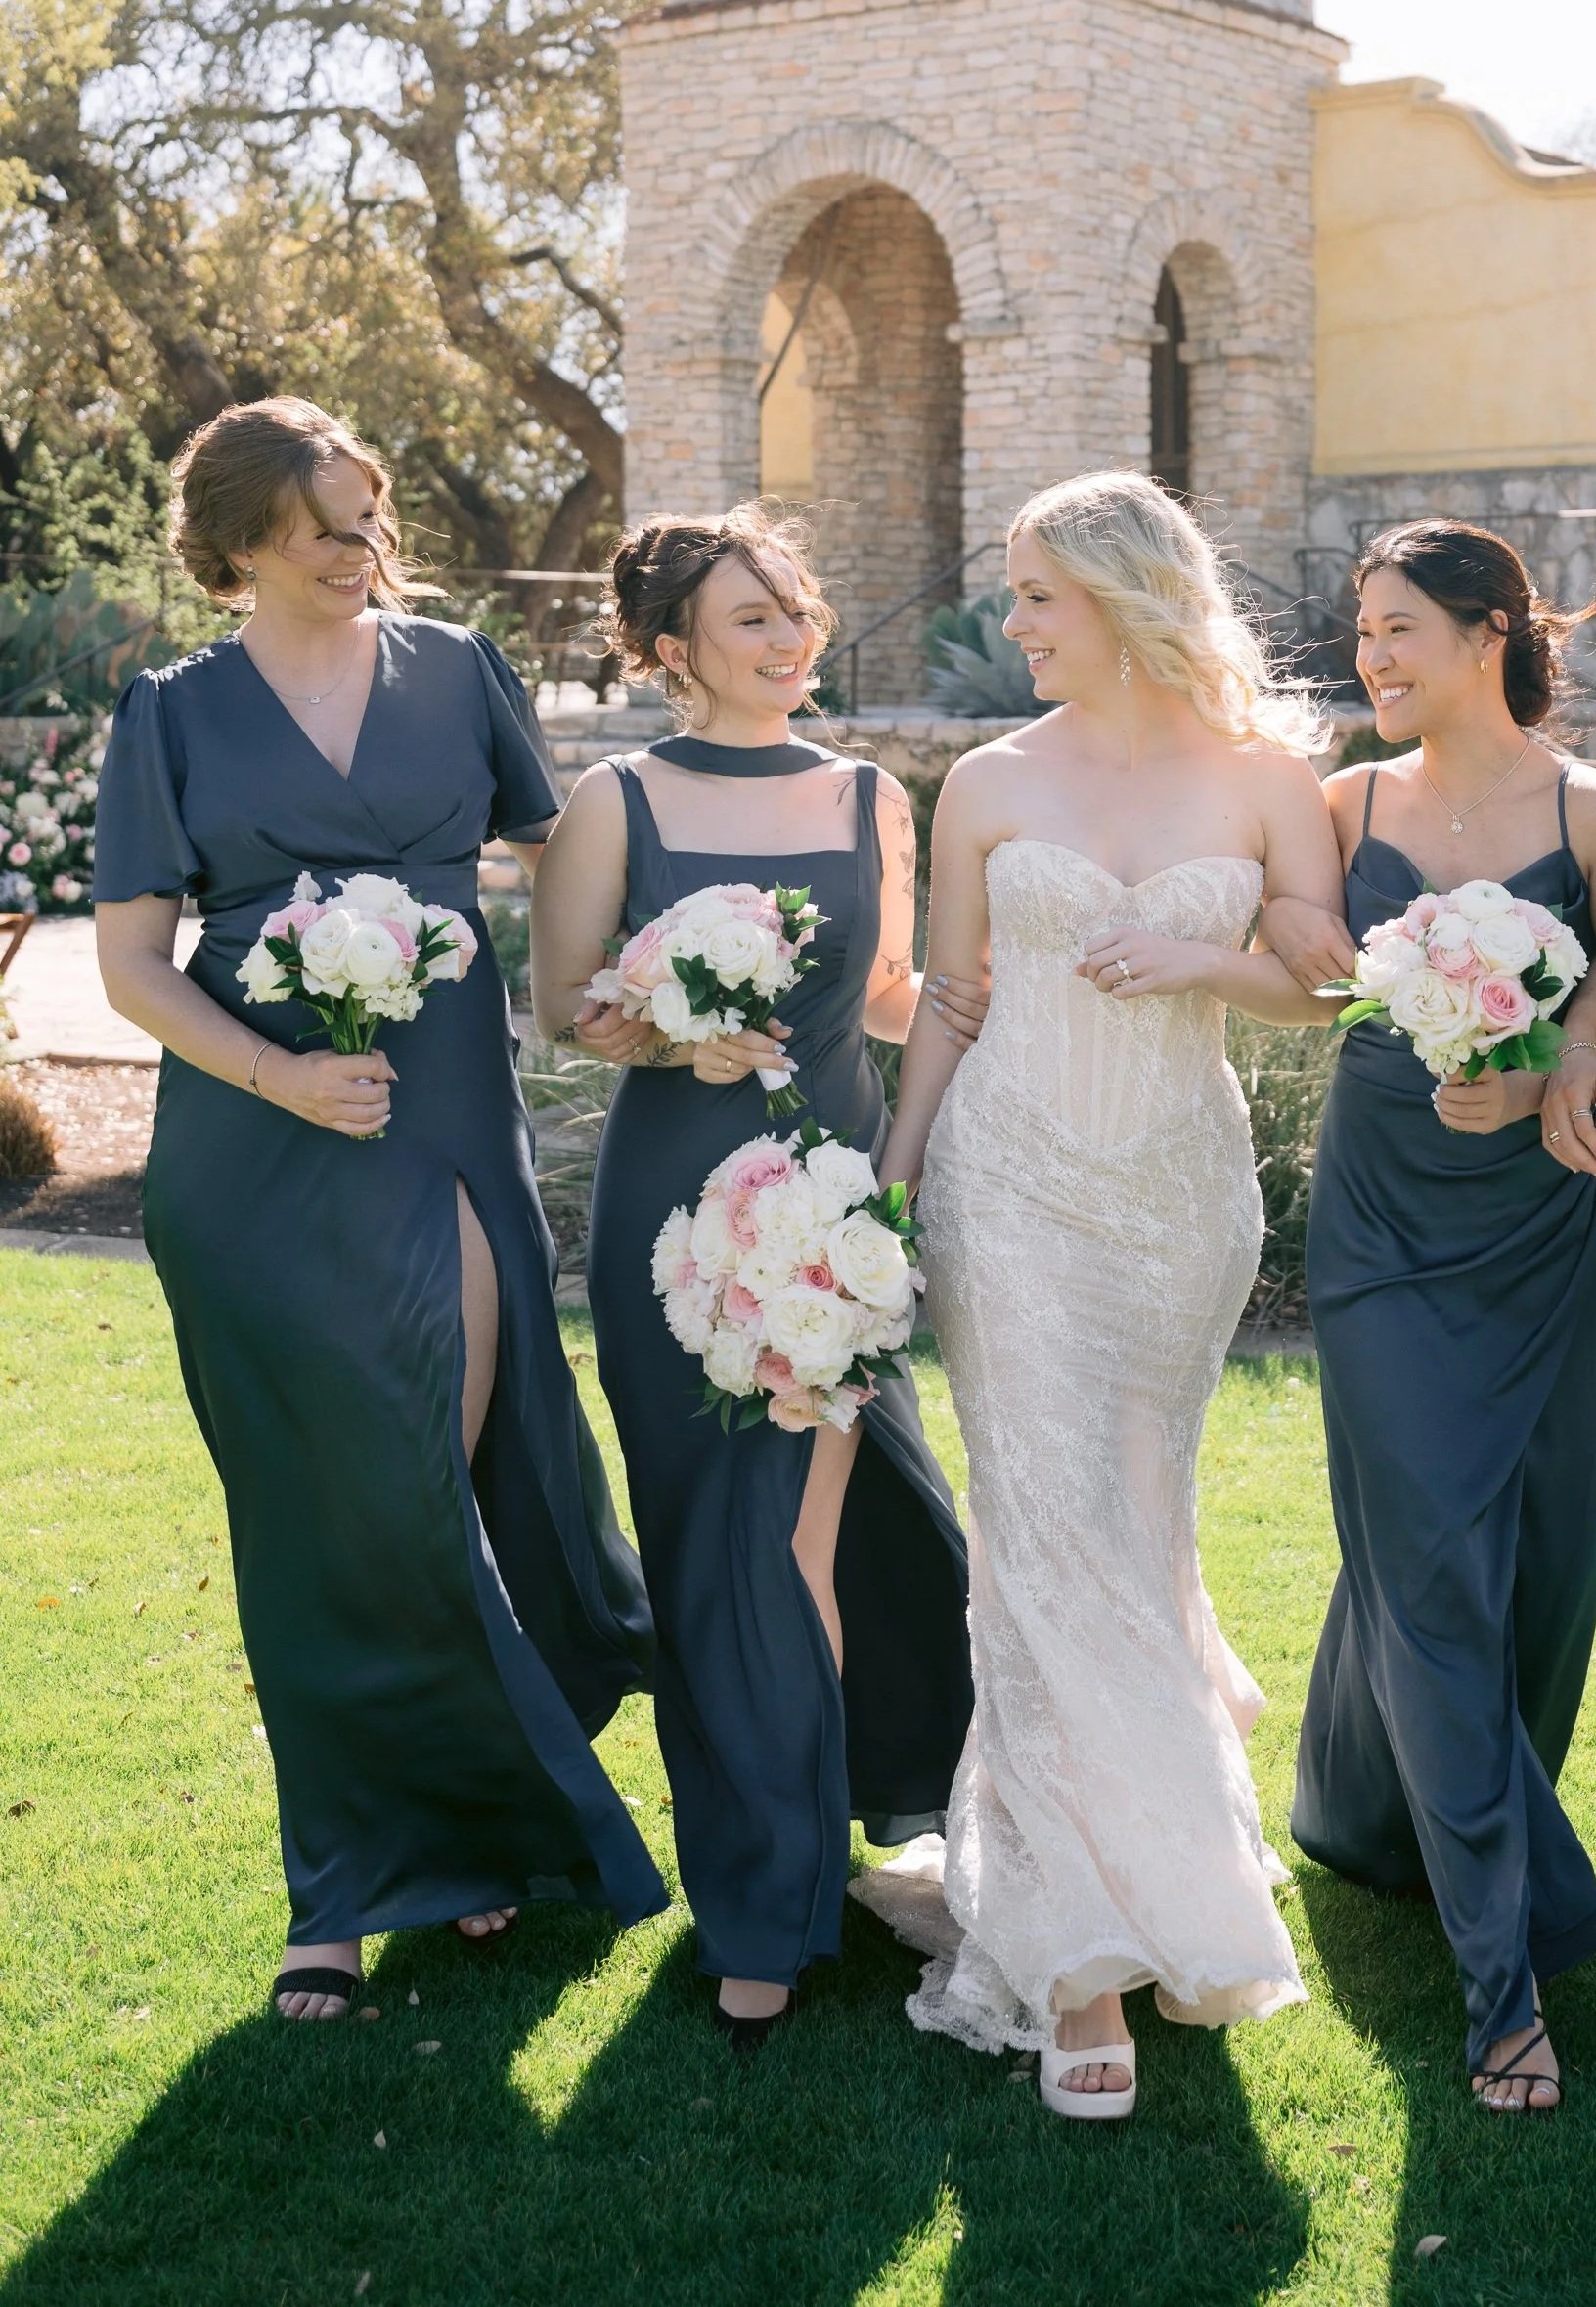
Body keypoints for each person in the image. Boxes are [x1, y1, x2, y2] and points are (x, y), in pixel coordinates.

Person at [92, 397, 664, 2021]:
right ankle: (340, 1885)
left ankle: (468, 1823)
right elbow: (135, 962)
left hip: (444, 1121)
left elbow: (566, 849)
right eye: (326, 525)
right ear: (246, 538)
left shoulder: (459, 669)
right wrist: (284, 1081)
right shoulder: (173, 712)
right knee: (308, 1513)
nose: (361, 550)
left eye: (369, 517)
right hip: (251, 1149)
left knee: (431, 1475)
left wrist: (630, 977)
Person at [862, 471, 1341, 2119]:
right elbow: (949, 996)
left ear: (1130, 597)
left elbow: (1325, 980)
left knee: (1135, 1532)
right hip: (1008, 1193)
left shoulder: (1271, 779)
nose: (1014, 624)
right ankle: (1077, 1965)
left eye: (1038, 597)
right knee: (1045, 1535)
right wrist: (896, 1179)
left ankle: (1128, 1861)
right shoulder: (987, 781)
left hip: (1176, 1204)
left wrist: (1204, 960)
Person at [531, 506, 981, 2045]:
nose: (791, 638)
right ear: (668, 651)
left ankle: (778, 1892)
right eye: (749, 619)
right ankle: (767, 1878)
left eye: (796, 607)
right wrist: (667, 1026)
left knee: (795, 1544)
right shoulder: (616, 797)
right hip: (674, 1215)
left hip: (835, 1206)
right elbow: (564, 1009)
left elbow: (894, 989)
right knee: (707, 1537)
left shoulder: (870, 797)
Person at [1254, 520, 1596, 2111]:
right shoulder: (1338, 806)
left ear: (1490, 629)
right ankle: (1501, 1980)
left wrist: (1574, 1065)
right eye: (1359, 632)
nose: (1369, 657)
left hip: (1531, 1230)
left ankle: (1384, 1814)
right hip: (1374, 1225)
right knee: (1426, 1560)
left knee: (1534, 1571)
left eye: (1395, 628)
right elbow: (1297, 972)